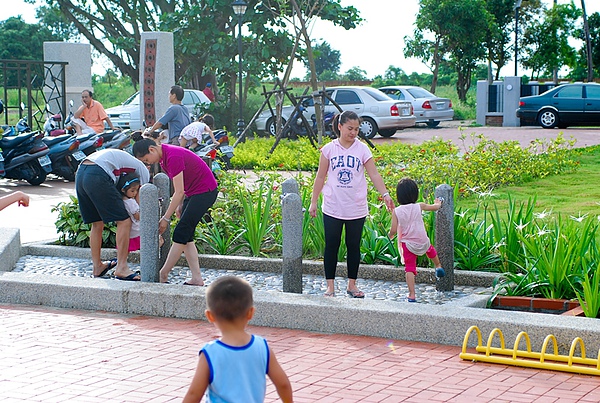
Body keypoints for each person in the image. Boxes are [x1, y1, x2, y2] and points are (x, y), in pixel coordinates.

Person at [308, 111, 395, 298]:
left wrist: (385, 194)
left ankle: (352, 285)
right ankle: (330, 286)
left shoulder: (362, 149)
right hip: (333, 206)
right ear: (340, 126)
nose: (353, 133)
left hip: (356, 207)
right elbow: (320, 176)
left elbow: (374, 174)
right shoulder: (329, 150)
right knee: (332, 244)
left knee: (353, 245)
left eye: (356, 129)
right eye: (350, 128)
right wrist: (313, 202)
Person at [182, 276, 293, 403]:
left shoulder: (210, 353)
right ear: (250, 313)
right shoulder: (262, 347)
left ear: (210, 316)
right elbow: (283, 384)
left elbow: (194, 394)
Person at [132, 138, 218, 285]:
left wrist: (165, 219)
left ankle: (163, 273)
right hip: (194, 193)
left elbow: (178, 191)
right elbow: (182, 187)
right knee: (187, 235)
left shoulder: (172, 156)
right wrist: (180, 205)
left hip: (205, 192)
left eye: (147, 159)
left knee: (180, 233)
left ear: (152, 149)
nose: (148, 163)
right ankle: (197, 278)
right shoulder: (164, 157)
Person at [75, 148, 150, 280]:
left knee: (97, 223)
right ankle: (121, 268)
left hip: (81, 172)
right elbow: (141, 198)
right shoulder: (143, 170)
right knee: (124, 221)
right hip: (98, 173)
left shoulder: (126, 163)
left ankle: (97, 266)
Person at [388, 177, 446, 303]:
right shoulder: (419, 206)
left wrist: (391, 235)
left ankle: (412, 294)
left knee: (409, 268)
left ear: (399, 196)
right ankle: (438, 266)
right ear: (415, 194)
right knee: (430, 250)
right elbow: (435, 207)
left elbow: (393, 229)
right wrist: (438, 202)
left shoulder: (396, 211)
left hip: (408, 244)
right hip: (422, 240)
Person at [116, 172, 142, 253]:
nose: (135, 193)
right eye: (132, 191)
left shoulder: (122, 201)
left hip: (129, 231)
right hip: (136, 231)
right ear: (123, 190)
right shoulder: (131, 202)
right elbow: (137, 216)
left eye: (137, 190)